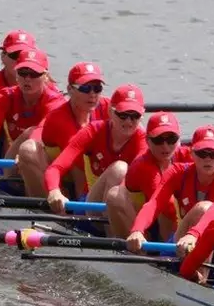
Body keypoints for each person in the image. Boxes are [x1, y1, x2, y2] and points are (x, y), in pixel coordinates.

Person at [43, 84, 147, 214]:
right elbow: (55, 168)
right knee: (119, 169)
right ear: (110, 112)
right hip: (90, 206)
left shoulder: (143, 140)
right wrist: (54, 190)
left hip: (124, 206)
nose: (129, 122)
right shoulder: (93, 131)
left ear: (141, 117)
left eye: (135, 116)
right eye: (123, 115)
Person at [16, 62, 111, 198]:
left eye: (97, 88)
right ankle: (64, 209)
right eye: (85, 88)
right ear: (70, 90)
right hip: (63, 175)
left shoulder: (109, 108)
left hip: (91, 171)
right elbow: (79, 166)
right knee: (27, 148)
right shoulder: (59, 119)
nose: (92, 94)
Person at [124, 125, 214, 248]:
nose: (207, 159)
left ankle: (199, 266)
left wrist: (194, 234)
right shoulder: (177, 172)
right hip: (181, 241)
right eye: (202, 153)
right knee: (201, 208)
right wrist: (137, 229)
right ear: (192, 153)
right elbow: (154, 204)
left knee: (206, 208)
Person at [0, 48, 65, 176]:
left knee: (30, 132)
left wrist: (25, 153)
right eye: (23, 72)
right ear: (16, 74)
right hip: (12, 162)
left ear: (45, 76)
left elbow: (41, 130)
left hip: (43, 159)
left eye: (34, 74)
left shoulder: (55, 102)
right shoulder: (5, 96)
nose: (27, 79)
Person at [104, 112, 191, 238]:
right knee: (114, 196)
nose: (165, 146)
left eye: (171, 139)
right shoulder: (144, 165)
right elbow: (167, 207)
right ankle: (154, 251)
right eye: (158, 140)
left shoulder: (191, 155)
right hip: (143, 225)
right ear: (147, 141)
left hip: (166, 220)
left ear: (179, 140)